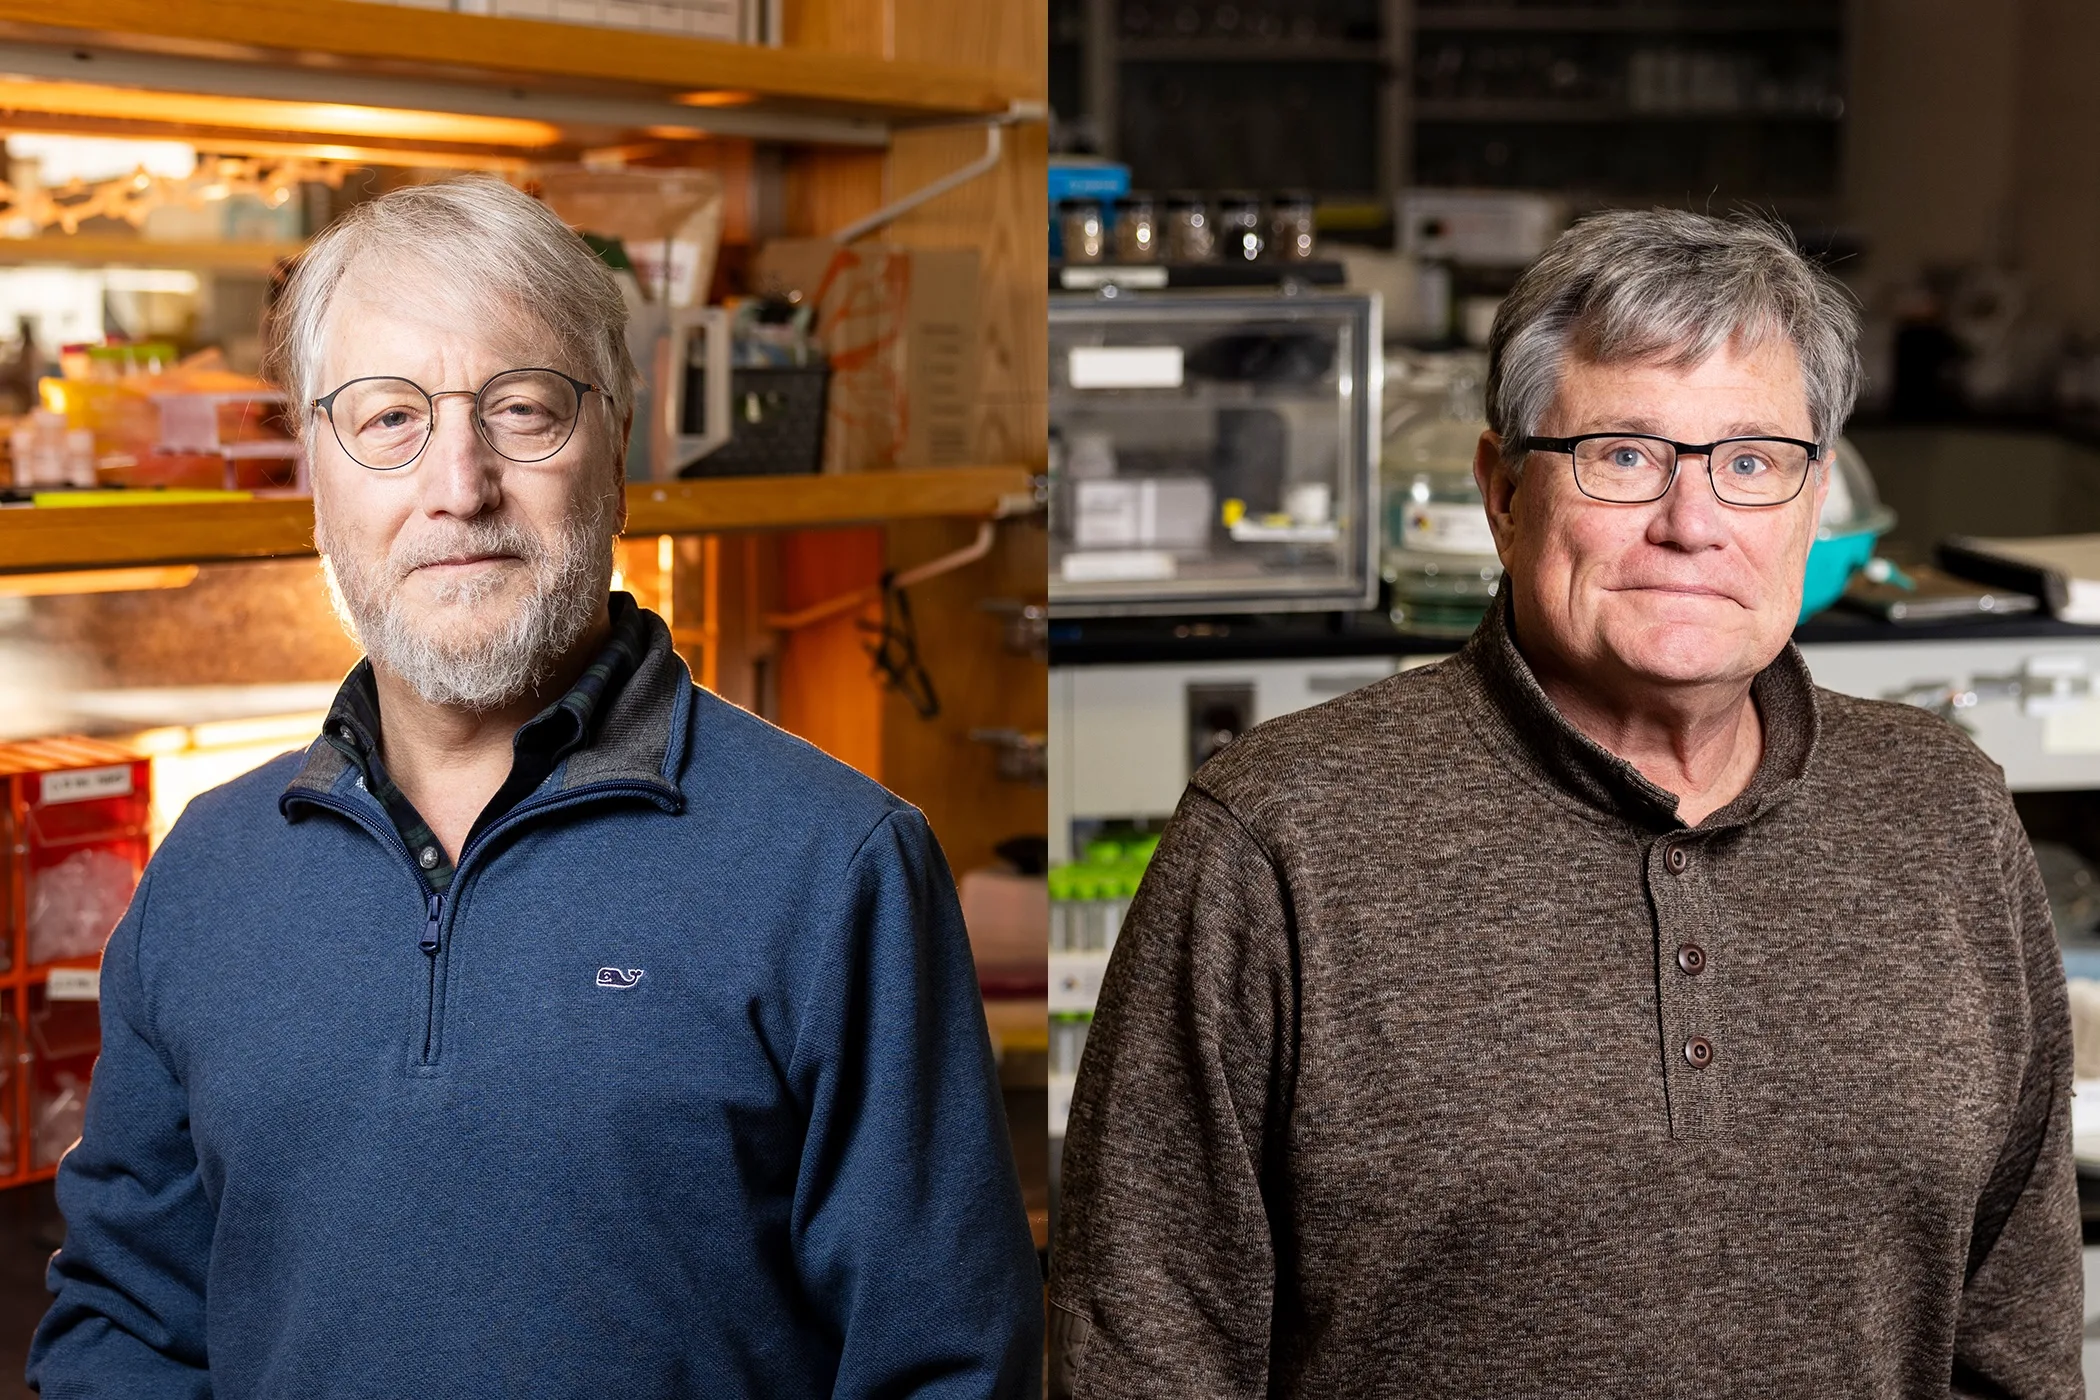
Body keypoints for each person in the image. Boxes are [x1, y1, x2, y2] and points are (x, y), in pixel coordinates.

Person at [30, 176, 1041, 1398]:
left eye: (521, 409)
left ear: (617, 446)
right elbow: (125, 1325)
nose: (460, 484)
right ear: (314, 471)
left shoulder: (837, 867)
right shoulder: (205, 871)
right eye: (389, 417)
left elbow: (945, 1365)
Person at [1048, 210, 2081, 1398]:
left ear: (1812, 502)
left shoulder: (1945, 813)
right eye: (1624, 454)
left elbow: (2018, 1338)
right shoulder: (1279, 833)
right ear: (1502, 491)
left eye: (1752, 462)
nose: (1692, 523)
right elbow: (1144, 1350)